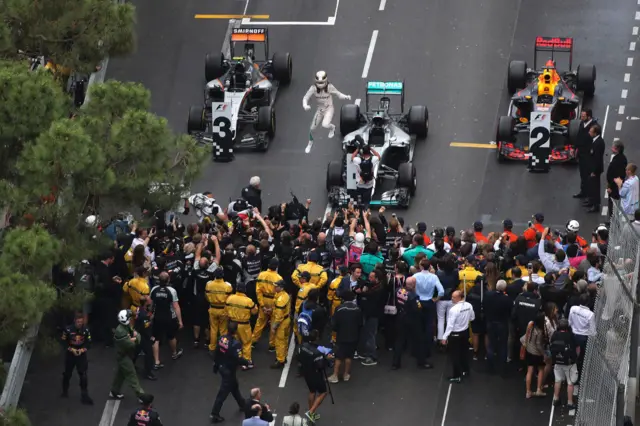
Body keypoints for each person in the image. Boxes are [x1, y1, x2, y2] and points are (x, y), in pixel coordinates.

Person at [302, 70, 351, 154]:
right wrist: (305, 105)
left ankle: (332, 128)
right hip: (320, 110)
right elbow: (305, 97)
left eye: (322, 82)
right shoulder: (313, 88)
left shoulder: (329, 87)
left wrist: (346, 96)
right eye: (319, 82)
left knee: (325, 125)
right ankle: (310, 143)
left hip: (329, 108)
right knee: (312, 129)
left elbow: (338, 94)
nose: (320, 84)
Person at [210, 321, 248, 424]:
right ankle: (215, 413)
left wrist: (216, 365)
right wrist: (247, 362)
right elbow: (238, 358)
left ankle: (242, 404)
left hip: (222, 367)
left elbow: (217, 352)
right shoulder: (236, 344)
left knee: (234, 386)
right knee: (223, 393)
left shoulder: (222, 339)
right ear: (235, 331)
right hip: (229, 370)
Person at [392, 276, 429, 370]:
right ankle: (422, 362)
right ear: (413, 285)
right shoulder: (413, 296)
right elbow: (418, 309)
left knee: (399, 341)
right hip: (412, 320)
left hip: (400, 317)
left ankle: (395, 363)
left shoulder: (398, 290)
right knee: (419, 340)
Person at [109, 309, 145, 400]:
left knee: (120, 374)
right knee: (132, 375)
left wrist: (134, 337)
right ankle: (141, 395)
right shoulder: (121, 331)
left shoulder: (124, 327)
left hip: (124, 354)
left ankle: (114, 391)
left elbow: (134, 335)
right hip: (123, 356)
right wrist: (135, 338)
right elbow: (132, 343)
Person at [298, 329, 332, 423]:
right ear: (316, 338)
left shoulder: (303, 346)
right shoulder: (317, 352)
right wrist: (327, 359)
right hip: (316, 374)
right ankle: (311, 411)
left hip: (306, 372)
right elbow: (321, 365)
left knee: (312, 391)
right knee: (323, 392)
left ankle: (311, 413)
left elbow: (299, 357)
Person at [441, 290, 475, 383]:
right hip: (465, 333)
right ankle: (465, 370)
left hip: (455, 335)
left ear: (460, 297)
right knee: (464, 353)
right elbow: (472, 318)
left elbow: (450, 325)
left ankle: (457, 376)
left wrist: (444, 337)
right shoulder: (469, 305)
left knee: (455, 356)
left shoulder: (453, 310)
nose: (452, 298)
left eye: (454, 297)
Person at [61, 312, 94, 405]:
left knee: (83, 375)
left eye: (81, 322)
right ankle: (64, 391)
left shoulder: (86, 330)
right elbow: (63, 342)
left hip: (81, 355)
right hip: (70, 354)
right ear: (75, 321)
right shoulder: (68, 330)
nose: (80, 324)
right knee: (67, 374)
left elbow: (89, 342)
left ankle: (84, 395)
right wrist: (71, 349)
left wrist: (83, 350)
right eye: (78, 322)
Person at [329, 290, 362, 382]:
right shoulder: (357, 309)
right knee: (349, 356)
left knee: (339, 356)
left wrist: (335, 331)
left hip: (342, 336)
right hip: (354, 336)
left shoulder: (339, 308)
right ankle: (346, 374)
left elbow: (334, 324)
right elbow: (360, 324)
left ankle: (335, 375)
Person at [226, 282, 258, 370]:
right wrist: (256, 307)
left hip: (233, 324)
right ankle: (246, 362)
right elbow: (254, 312)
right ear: (244, 290)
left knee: (235, 343)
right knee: (246, 343)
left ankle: (235, 360)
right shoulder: (248, 301)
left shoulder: (230, 298)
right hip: (244, 325)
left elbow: (226, 310)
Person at [484, 280, 512, 375]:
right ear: (504, 288)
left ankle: (490, 367)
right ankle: (503, 369)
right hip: (502, 324)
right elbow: (510, 312)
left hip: (490, 322)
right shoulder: (507, 299)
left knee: (491, 344)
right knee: (503, 345)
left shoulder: (488, 295)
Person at [550, 319, 578, 410]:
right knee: (570, 382)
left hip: (557, 362)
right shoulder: (570, 336)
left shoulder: (554, 334)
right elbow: (576, 348)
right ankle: (570, 402)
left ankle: (556, 399)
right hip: (569, 364)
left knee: (557, 380)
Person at [205, 268, 233, 352]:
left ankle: (212, 347)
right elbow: (230, 299)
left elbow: (206, 296)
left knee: (213, 329)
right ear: (223, 275)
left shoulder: (209, 285)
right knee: (223, 330)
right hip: (223, 310)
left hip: (213, 309)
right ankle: (223, 348)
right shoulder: (227, 286)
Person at [522, 312, 549, 398]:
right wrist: (544, 354)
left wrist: (526, 344)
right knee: (541, 369)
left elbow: (526, 336)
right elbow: (538, 345)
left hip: (529, 350)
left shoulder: (530, 324)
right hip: (537, 353)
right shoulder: (540, 331)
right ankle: (538, 390)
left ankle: (528, 392)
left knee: (529, 371)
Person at [573, 109, 598, 199]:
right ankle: (583, 192)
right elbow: (578, 136)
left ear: (589, 117)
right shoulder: (582, 123)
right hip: (581, 153)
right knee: (582, 174)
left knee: (588, 175)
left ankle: (589, 194)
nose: (581, 117)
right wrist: (575, 148)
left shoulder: (594, 127)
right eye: (581, 116)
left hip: (588, 155)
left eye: (583, 116)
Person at [134, 297, 157, 380]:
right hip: (143, 337)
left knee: (135, 351)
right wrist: (151, 337)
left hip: (137, 333)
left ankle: (131, 365)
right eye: (150, 303)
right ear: (145, 304)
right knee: (149, 354)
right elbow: (145, 328)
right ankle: (148, 373)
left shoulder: (138, 309)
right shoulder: (144, 316)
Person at [584, 124, 605, 213]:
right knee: (591, 186)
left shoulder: (599, 143)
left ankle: (596, 205)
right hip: (591, 168)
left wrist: (594, 171)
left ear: (595, 133)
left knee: (595, 187)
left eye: (591, 132)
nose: (589, 133)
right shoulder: (595, 141)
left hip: (595, 170)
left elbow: (597, 159)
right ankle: (591, 201)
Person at [270, 280, 291, 368]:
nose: (274, 287)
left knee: (279, 341)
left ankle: (280, 360)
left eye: (276, 286)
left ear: (281, 287)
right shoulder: (283, 295)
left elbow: (279, 314)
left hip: (281, 322)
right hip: (286, 320)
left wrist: (275, 325)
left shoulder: (281, 299)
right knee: (285, 340)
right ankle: (284, 356)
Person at [605, 140, 628, 216]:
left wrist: (610, 186)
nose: (612, 149)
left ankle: (613, 219)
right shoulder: (622, 158)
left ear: (617, 149)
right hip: (617, 184)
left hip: (614, 186)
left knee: (612, 203)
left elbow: (615, 176)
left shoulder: (617, 160)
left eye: (613, 147)